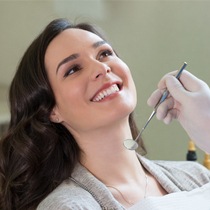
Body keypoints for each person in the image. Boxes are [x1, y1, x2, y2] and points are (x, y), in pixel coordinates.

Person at [0, 18, 209, 210]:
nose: (101, 68)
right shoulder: (67, 206)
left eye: (104, 54)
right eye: (73, 69)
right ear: (52, 111)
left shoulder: (197, 177)